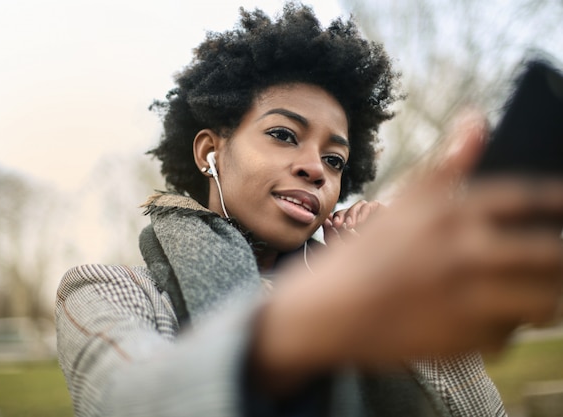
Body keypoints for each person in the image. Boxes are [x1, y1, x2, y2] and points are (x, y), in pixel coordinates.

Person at [55, 4, 563, 417]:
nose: (315, 169)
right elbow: (125, 398)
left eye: (334, 158)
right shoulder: (107, 290)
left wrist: (393, 304)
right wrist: (329, 310)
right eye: (283, 134)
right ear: (210, 149)